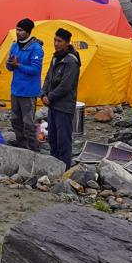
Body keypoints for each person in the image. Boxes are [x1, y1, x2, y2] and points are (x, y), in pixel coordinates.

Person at [41, 27, 81, 170]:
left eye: (59, 41)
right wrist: (43, 93)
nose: (56, 43)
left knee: (63, 138)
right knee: (52, 136)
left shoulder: (71, 61)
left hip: (64, 105)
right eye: (55, 40)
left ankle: (64, 167)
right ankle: (54, 164)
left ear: (67, 42)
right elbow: (48, 77)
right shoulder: (56, 57)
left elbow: (66, 85)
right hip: (53, 105)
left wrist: (50, 97)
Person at [6, 18, 44, 151]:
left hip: (28, 91)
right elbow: (9, 66)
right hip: (16, 89)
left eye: (20, 30)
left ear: (27, 32)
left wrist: (18, 65)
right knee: (15, 120)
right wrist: (10, 64)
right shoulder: (14, 46)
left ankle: (33, 149)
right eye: (17, 29)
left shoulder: (36, 49)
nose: (17, 32)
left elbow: (35, 70)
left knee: (28, 123)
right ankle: (22, 146)